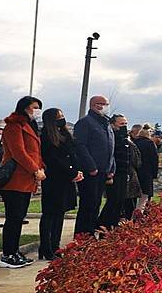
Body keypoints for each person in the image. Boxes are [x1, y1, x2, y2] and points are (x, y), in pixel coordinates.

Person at [0, 96, 45, 268]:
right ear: (24, 107)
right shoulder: (13, 126)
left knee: (18, 218)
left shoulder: (29, 125)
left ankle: (14, 251)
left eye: (39, 107)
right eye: (34, 107)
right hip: (16, 179)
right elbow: (19, 152)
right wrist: (35, 169)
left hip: (26, 179)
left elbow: (35, 152)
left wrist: (41, 168)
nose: (37, 110)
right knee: (14, 218)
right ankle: (7, 255)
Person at [39, 108, 84, 261]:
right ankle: (46, 247)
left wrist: (76, 171)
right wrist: (71, 173)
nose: (62, 119)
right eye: (59, 117)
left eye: (63, 116)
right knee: (50, 214)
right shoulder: (46, 136)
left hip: (67, 179)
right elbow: (54, 159)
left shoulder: (65, 134)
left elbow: (72, 154)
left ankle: (55, 245)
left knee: (60, 214)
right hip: (54, 179)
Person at [74, 95, 115, 236]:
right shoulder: (85, 123)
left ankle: (90, 233)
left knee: (96, 205)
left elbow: (111, 148)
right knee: (88, 205)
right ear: (95, 105)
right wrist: (91, 167)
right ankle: (82, 236)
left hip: (103, 171)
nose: (106, 107)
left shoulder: (106, 124)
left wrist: (111, 169)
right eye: (104, 104)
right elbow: (80, 146)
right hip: (91, 172)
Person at [99, 114, 141, 227]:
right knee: (113, 201)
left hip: (124, 174)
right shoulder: (112, 138)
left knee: (119, 202)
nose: (124, 126)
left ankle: (112, 225)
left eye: (126, 124)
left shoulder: (125, 139)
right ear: (113, 125)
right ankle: (103, 226)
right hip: (114, 174)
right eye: (121, 124)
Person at [133, 128, 158, 210]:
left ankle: (132, 212)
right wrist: (154, 174)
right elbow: (154, 159)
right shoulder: (150, 143)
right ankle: (142, 212)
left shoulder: (134, 143)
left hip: (136, 171)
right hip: (147, 172)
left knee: (134, 194)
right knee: (146, 194)